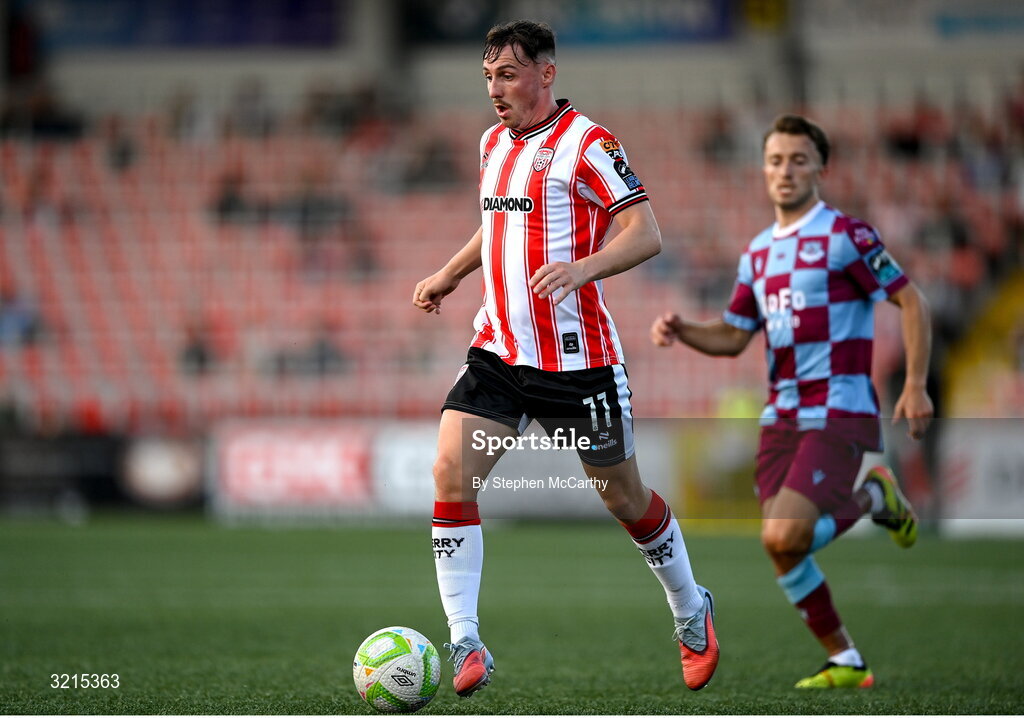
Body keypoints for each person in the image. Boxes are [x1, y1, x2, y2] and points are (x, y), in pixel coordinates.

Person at [413, 20, 718, 697]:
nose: (495, 89)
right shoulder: (493, 143)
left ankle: (691, 610)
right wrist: (449, 274)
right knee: (449, 471)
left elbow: (646, 233)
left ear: (546, 74)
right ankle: (465, 640)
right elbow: (497, 224)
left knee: (624, 497)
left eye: (509, 74)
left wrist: (583, 269)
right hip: (498, 353)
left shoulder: (589, 143)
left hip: (579, 365)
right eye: (488, 77)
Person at [651, 114, 934, 689]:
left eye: (798, 160)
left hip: (839, 409)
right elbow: (733, 336)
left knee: (781, 535)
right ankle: (848, 660)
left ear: (820, 169)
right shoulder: (757, 254)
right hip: (780, 417)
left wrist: (915, 383)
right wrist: (685, 329)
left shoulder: (846, 237)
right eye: (776, 160)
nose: (786, 171)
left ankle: (873, 496)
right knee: (783, 549)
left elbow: (911, 303)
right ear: (763, 169)